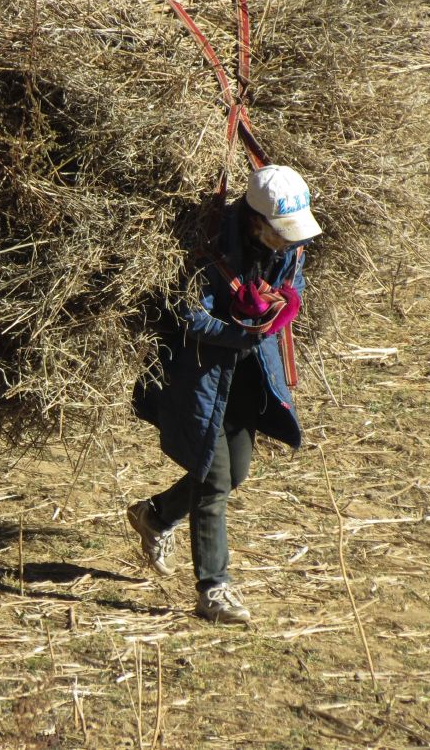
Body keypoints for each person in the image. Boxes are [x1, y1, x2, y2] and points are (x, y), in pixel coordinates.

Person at [129, 164, 321, 624]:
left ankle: (155, 515)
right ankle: (214, 590)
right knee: (213, 480)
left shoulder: (288, 245)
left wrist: (281, 305)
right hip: (198, 375)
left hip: (249, 374)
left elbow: (294, 283)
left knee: (233, 473)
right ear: (255, 221)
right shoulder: (206, 245)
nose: (292, 243)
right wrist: (244, 330)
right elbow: (187, 315)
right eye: (282, 233)